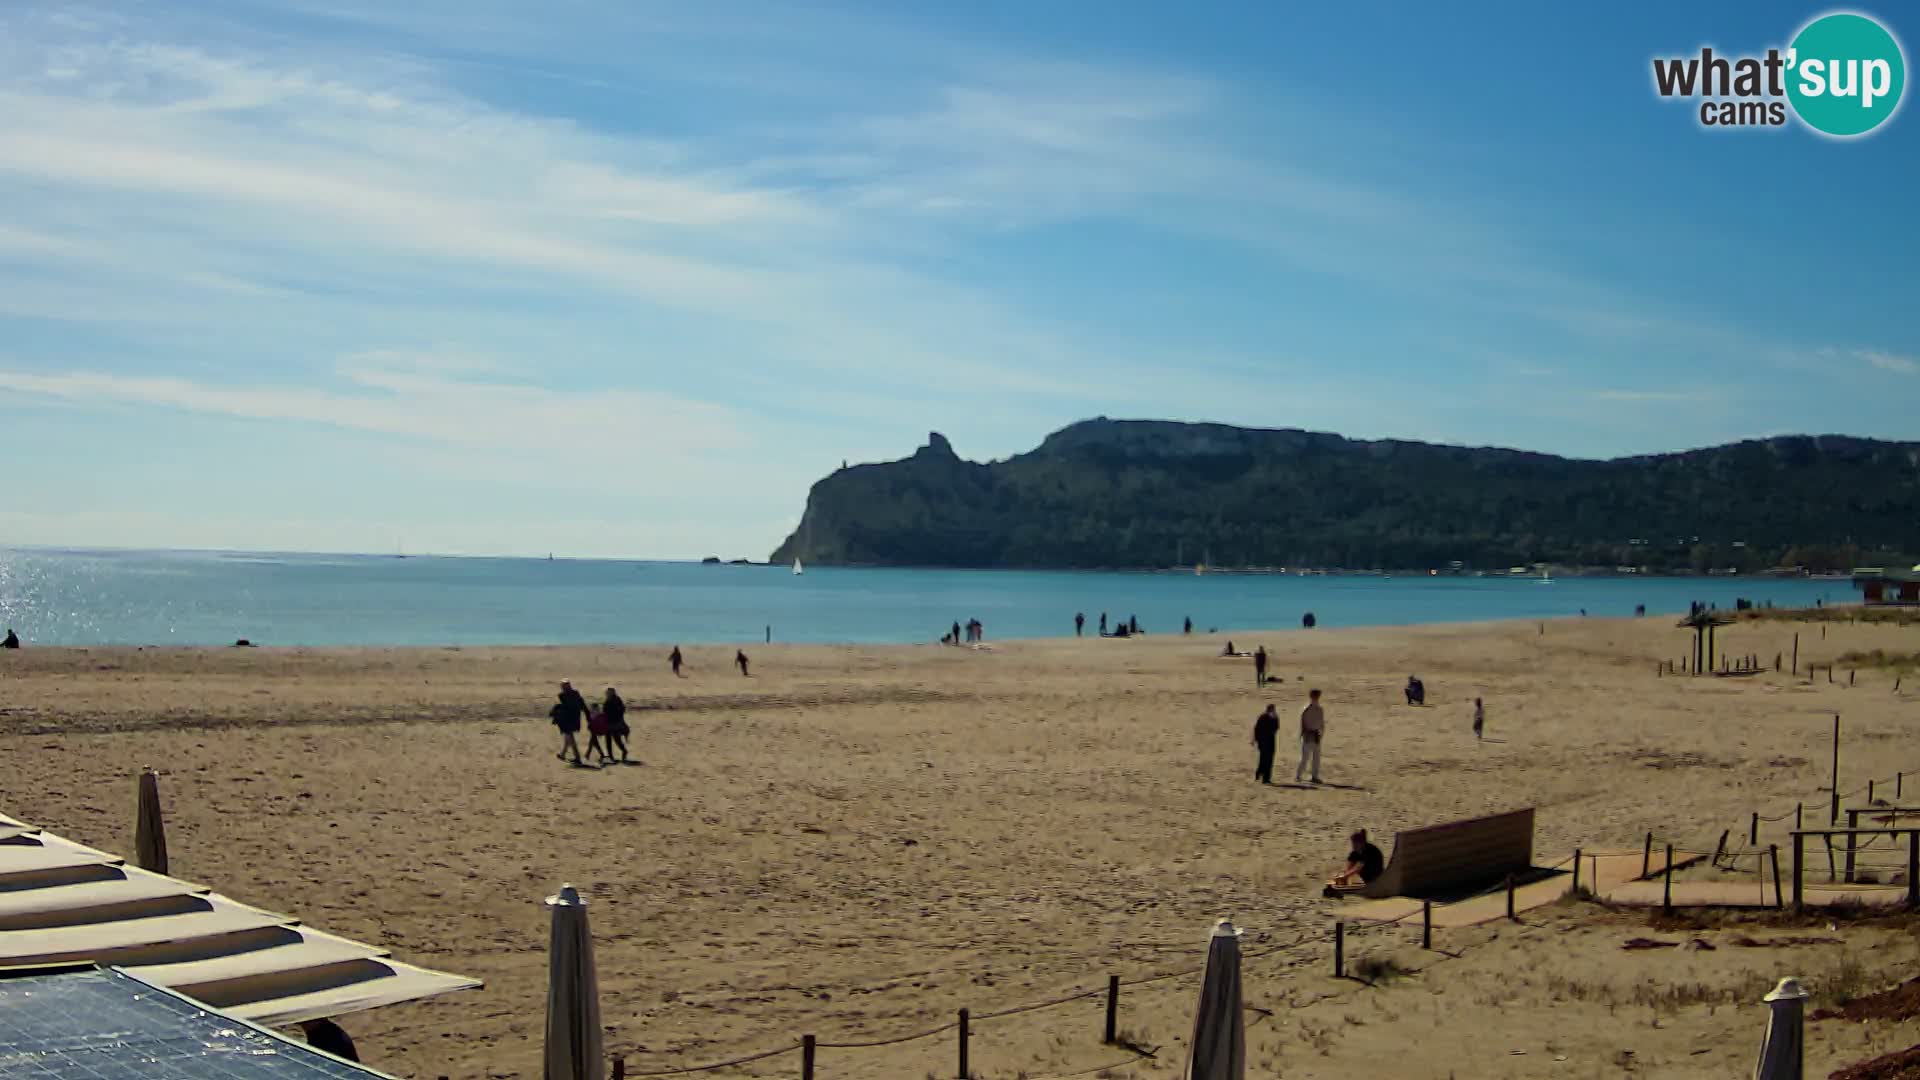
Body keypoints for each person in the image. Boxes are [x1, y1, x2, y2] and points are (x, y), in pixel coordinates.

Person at [1324, 830, 1385, 895]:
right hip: (1368, 878)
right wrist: (1341, 876)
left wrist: (1345, 876)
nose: (1353, 846)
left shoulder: (1369, 850)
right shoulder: (1355, 853)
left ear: (1362, 843)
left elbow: (1358, 868)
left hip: (1377, 877)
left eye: (1355, 844)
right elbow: (1348, 866)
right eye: (1353, 843)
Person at [550, 682, 589, 766]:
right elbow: (582, 705)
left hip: (568, 720)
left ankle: (577, 758)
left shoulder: (562, 695)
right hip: (573, 719)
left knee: (570, 738)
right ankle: (562, 755)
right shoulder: (574, 694)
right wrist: (587, 715)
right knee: (568, 737)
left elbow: (563, 706)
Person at [1296, 688, 1325, 783]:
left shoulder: (1320, 709)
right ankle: (1298, 775)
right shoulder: (1307, 709)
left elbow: (1322, 722)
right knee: (1305, 757)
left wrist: (1321, 733)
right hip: (1308, 735)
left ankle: (1314, 776)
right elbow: (1302, 723)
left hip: (1316, 735)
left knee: (1316, 758)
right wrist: (1302, 734)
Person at [1252, 704, 1279, 784]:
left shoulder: (1275, 717)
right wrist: (1256, 740)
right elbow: (1257, 729)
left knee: (1269, 759)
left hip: (1271, 741)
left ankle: (1265, 777)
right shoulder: (1263, 717)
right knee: (1264, 759)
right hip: (1263, 741)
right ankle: (1260, 775)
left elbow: (1276, 728)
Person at [603, 688, 631, 763]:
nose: (607, 693)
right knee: (612, 740)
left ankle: (616, 755)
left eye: (609, 692)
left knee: (614, 740)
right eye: (607, 692)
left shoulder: (613, 700)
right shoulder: (615, 700)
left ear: (612, 693)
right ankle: (612, 756)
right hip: (612, 723)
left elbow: (620, 710)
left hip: (613, 724)